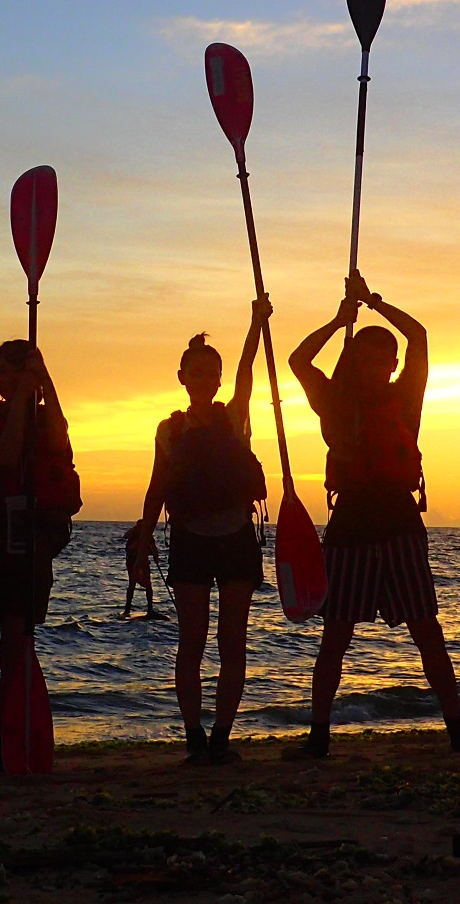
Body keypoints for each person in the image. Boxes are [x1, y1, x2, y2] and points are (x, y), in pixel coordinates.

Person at [286, 274, 460, 759]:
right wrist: (341, 320)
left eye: (385, 356)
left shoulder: (406, 399)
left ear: (393, 363)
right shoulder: (333, 403)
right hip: (350, 529)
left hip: (400, 525)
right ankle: (318, 736)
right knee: (335, 637)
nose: (377, 363)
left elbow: (419, 336)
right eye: (366, 354)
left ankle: (458, 730)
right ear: (354, 359)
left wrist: (374, 303)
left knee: (427, 631)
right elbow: (299, 361)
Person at [130, 298, 272, 764]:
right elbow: (156, 486)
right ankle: (193, 736)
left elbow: (249, 372)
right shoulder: (168, 429)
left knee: (233, 639)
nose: (204, 378)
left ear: (218, 378)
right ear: (182, 377)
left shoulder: (232, 417)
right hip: (189, 538)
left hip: (234, 537)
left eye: (212, 371)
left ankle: (221, 737)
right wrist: (144, 536)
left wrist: (256, 323)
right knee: (192, 639)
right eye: (195, 370)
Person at [0, 340, 79, 773]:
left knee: (14, 649)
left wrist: (46, 383)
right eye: (3, 371)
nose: (9, 378)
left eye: (18, 370)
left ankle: (9, 734)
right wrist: (22, 398)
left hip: (26, 546)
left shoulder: (47, 420)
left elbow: (60, 442)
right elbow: (5, 455)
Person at [123, 527, 159, 619]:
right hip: (133, 561)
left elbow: (153, 547)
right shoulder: (134, 533)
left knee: (145, 584)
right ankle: (128, 609)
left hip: (142, 562)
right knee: (133, 584)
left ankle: (149, 609)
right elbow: (125, 536)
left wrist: (155, 557)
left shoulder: (147, 535)